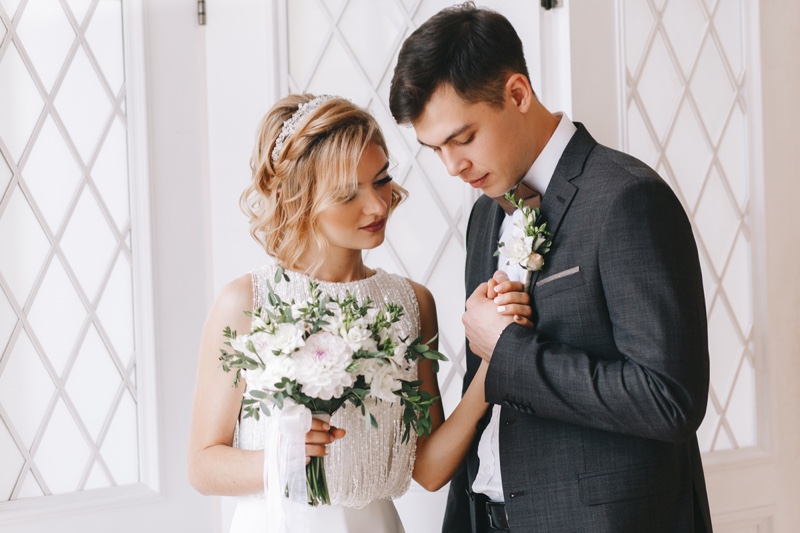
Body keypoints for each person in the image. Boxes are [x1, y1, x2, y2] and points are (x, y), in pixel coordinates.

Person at [389, 3, 713, 532]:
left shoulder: (628, 199)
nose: (452, 167)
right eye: (434, 149)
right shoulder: (483, 215)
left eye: (463, 137)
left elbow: (669, 400)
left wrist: (508, 350)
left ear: (517, 94)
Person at [186, 94, 532, 532]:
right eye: (348, 193)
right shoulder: (247, 303)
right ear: (299, 197)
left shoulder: (412, 303)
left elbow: (428, 470)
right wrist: (278, 457)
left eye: (382, 179)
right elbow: (201, 466)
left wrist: (494, 361)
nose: (377, 206)